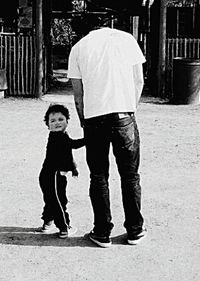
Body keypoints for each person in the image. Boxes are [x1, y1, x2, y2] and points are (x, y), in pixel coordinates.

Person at [67, 15, 146, 248]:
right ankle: (135, 230)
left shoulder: (78, 48)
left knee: (99, 176)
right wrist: (130, 110)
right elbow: (139, 81)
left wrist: (84, 121)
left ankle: (102, 231)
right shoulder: (127, 39)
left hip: (94, 119)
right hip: (124, 115)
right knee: (130, 176)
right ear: (108, 24)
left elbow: (78, 96)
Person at [37, 104, 85, 238]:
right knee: (59, 201)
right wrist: (89, 139)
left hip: (53, 175)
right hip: (52, 176)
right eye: (52, 121)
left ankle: (47, 222)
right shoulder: (58, 137)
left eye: (60, 119)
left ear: (67, 120)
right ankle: (64, 227)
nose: (57, 123)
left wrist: (74, 167)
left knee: (51, 199)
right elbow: (73, 145)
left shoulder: (62, 135)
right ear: (48, 125)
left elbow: (67, 154)